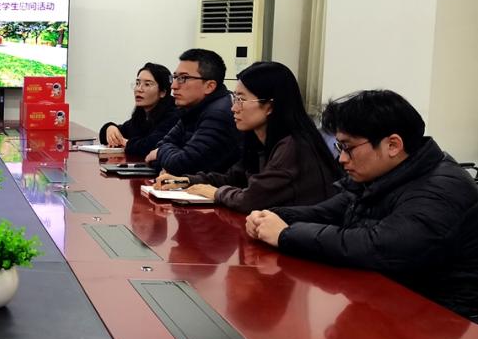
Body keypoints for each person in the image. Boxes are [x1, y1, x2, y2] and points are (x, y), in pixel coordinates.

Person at [245, 90, 478, 321]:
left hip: (443, 320)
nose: (342, 159)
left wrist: (285, 235)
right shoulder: (386, 173)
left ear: (393, 145)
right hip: (390, 302)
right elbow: (326, 212)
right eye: (340, 148)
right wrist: (270, 217)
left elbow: (378, 246)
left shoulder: (442, 190)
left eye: (348, 148)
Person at [157, 61, 339, 212]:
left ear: (270, 106)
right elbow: (234, 178)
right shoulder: (257, 138)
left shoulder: (293, 145)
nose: (234, 108)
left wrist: (216, 193)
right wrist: (188, 181)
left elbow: (251, 199)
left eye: (241, 100)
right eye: (235, 98)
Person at [146, 48, 239, 175]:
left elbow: (182, 165)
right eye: (175, 77)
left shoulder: (218, 114)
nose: (173, 86)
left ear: (209, 86)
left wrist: (163, 154)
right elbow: (156, 151)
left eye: (183, 78)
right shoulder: (192, 108)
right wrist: (166, 157)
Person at [98, 63, 179, 157]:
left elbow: (151, 146)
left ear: (162, 92)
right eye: (137, 83)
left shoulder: (173, 114)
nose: (139, 89)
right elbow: (121, 132)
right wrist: (110, 128)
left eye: (147, 84)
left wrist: (126, 142)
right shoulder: (142, 115)